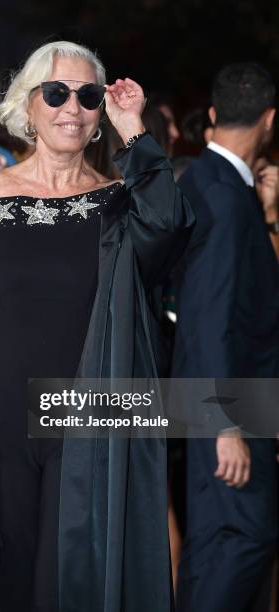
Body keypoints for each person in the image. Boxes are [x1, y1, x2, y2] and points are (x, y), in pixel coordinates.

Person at [0, 40, 194, 612]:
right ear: (30, 105)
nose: (73, 105)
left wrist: (134, 130)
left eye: (88, 95)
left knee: (70, 585)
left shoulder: (119, 203)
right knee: (4, 583)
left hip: (87, 423)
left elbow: (170, 223)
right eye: (57, 92)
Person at [172, 63, 279, 612]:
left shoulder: (217, 184)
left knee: (218, 542)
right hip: (230, 405)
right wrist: (223, 424)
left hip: (231, 400)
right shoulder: (217, 191)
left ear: (213, 115)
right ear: (270, 118)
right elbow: (207, 314)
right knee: (244, 537)